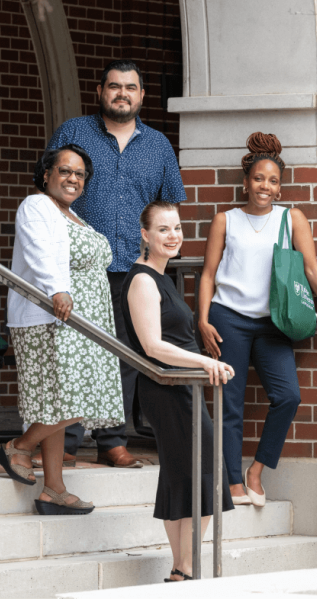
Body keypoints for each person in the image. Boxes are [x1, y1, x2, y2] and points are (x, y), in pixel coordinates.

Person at [45, 59, 187, 468]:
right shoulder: (74, 133)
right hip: (80, 265)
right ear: (101, 91)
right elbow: (53, 191)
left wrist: (162, 255)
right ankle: (66, 443)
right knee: (74, 354)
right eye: (114, 86)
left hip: (135, 268)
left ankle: (112, 441)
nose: (122, 93)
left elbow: (167, 204)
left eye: (130, 87)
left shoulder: (159, 144)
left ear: (142, 95)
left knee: (125, 355)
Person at [197, 132, 317, 506]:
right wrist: (202, 320)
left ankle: (257, 470)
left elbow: (312, 269)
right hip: (228, 319)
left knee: (288, 396)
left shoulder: (291, 219)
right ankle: (233, 481)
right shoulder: (226, 220)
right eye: (258, 179)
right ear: (246, 181)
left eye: (273, 181)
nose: (265, 186)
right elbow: (207, 274)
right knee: (229, 402)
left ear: (280, 189)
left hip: (273, 324)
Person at [0, 144, 125, 514]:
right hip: (50, 317)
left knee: (58, 400)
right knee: (70, 400)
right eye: (65, 171)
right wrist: (57, 289)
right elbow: (39, 250)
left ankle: (53, 487)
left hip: (80, 322)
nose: (73, 178)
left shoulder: (74, 217)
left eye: (80, 174)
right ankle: (19, 448)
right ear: (46, 175)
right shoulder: (36, 205)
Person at [123, 201, 234, 582]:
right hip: (167, 387)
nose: (173, 236)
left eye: (177, 228)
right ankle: (187, 568)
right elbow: (151, 345)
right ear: (145, 234)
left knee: (183, 474)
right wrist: (205, 362)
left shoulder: (162, 277)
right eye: (163, 230)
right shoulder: (141, 280)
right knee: (201, 473)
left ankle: (180, 569)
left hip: (182, 386)